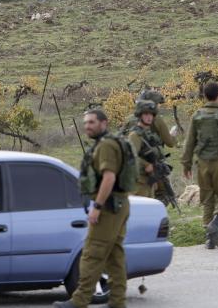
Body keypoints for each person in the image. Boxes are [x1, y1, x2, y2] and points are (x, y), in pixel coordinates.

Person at [53, 110, 130, 308]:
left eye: (92, 122)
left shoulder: (105, 146)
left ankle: (79, 301)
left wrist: (97, 206)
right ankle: (117, 302)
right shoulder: (109, 143)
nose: (87, 126)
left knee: (92, 253)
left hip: (108, 207)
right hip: (119, 205)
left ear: (104, 123)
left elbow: (109, 177)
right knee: (114, 255)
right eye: (86, 122)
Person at [181, 82, 218, 250]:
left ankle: (210, 238)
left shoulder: (197, 115)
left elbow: (189, 142)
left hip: (202, 164)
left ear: (204, 96)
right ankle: (216, 223)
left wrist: (186, 164)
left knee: (207, 200)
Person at [128, 100, 163, 198]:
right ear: (140, 115)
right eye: (146, 114)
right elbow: (130, 157)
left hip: (148, 181)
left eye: (151, 114)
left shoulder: (149, 135)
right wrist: (146, 165)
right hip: (138, 183)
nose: (149, 117)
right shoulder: (135, 135)